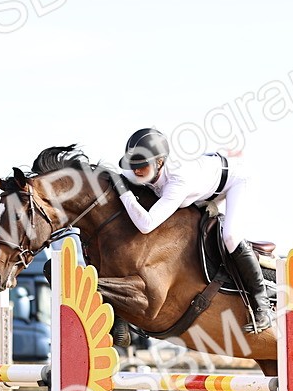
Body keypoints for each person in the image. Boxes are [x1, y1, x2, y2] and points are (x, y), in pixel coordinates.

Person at [109, 127, 270, 333]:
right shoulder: (147, 170)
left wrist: (123, 192)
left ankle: (261, 305)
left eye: (142, 166)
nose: (136, 171)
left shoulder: (177, 181)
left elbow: (146, 224)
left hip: (234, 181)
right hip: (204, 182)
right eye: (133, 165)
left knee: (230, 237)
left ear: (159, 162)